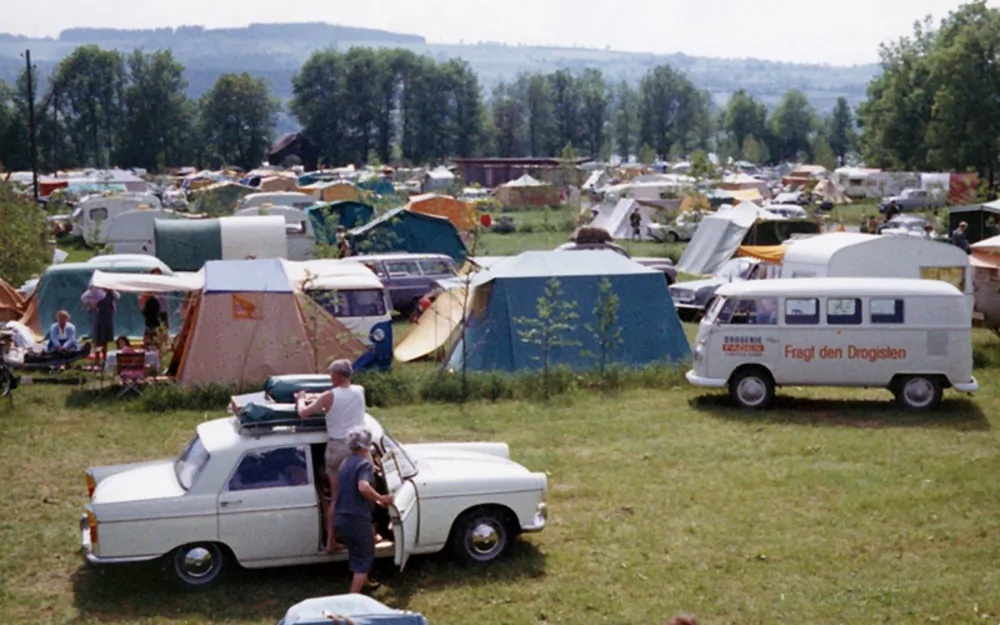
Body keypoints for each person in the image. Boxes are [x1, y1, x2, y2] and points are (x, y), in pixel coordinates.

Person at [296, 359, 367, 554]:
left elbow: (304, 413)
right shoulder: (359, 391)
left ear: (336, 376)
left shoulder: (328, 396)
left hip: (336, 448)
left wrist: (301, 398)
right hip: (356, 449)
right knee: (361, 495)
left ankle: (331, 542)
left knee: (335, 498)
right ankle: (366, 536)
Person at [334, 427, 394, 594]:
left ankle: (365, 581)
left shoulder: (345, 463)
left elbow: (351, 489)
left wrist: (375, 500)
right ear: (365, 447)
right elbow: (363, 487)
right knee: (365, 556)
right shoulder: (364, 464)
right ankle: (354, 597)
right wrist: (382, 498)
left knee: (357, 552)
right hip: (357, 518)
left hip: (342, 517)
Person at [81, 285, 119, 365]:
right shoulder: (95, 290)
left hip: (108, 317)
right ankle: (97, 358)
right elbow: (83, 298)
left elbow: (118, 296)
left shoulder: (111, 291)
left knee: (106, 340)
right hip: (99, 316)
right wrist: (91, 303)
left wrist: (111, 290)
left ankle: (105, 358)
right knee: (98, 339)